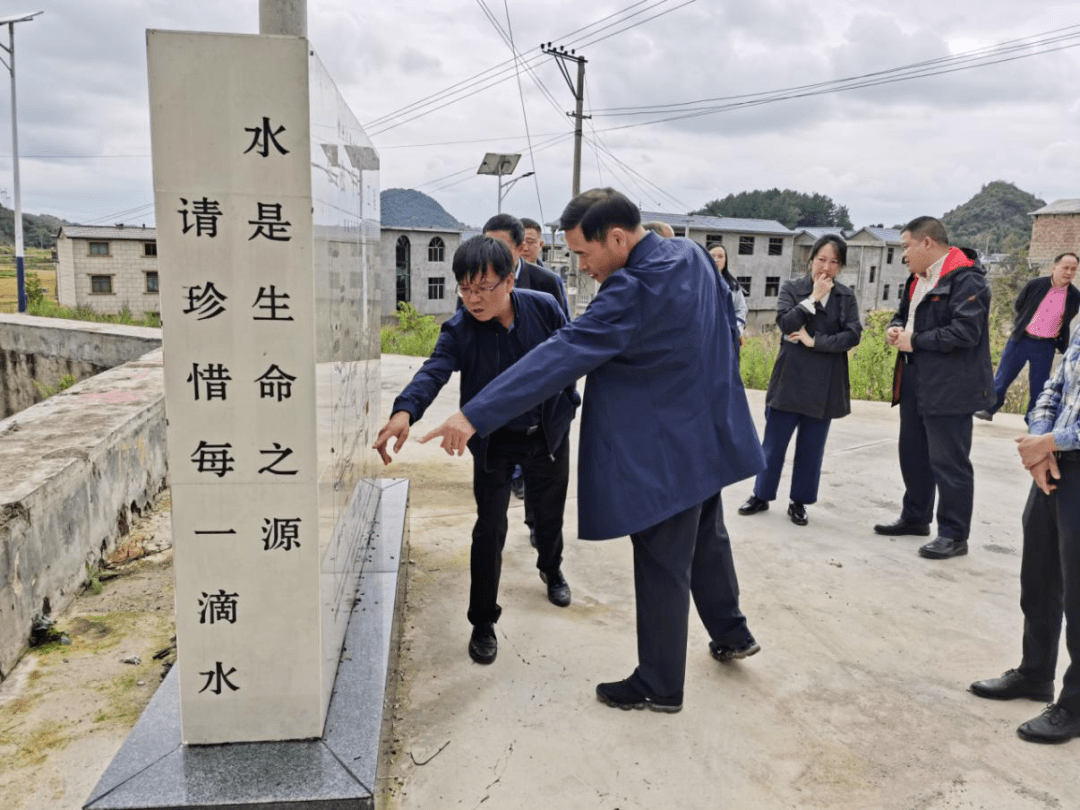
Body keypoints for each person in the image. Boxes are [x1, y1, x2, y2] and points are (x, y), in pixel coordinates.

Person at [418, 187, 765, 713]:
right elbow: (721, 325)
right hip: (706, 432)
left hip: (663, 449)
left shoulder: (631, 290)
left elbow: (564, 353)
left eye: (584, 253)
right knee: (708, 538)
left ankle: (659, 683)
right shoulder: (691, 255)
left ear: (619, 238)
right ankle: (733, 633)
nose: (581, 267)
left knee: (662, 562)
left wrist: (474, 413)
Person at [372, 236, 579, 666]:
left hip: (546, 436)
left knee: (549, 511)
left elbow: (568, 359)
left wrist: (568, 407)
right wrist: (404, 412)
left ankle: (551, 566)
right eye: (464, 289)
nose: (473, 299)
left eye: (483, 288)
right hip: (493, 443)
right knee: (489, 529)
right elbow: (433, 371)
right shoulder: (461, 329)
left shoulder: (543, 307)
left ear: (509, 281)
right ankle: (483, 621)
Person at [968, 322, 1080, 743]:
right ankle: (1035, 674)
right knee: (1039, 578)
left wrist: (1051, 441)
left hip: (1065, 452)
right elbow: (1054, 384)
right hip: (1055, 463)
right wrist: (1038, 439)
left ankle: (1075, 706)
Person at [874, 216, 994, 559]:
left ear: (927, 243)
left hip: (950, 385)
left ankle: (954, 535)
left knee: (949, 461)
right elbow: (903, 316)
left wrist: (917, 340)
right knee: (913, 453)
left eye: (906, 246)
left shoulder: (967, 280)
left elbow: (966, 333)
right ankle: (915, 517)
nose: (903, 255)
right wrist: (896, 330)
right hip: (914, 377)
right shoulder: (916, 280)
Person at [738, 234, 862, 526]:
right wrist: (813, 299)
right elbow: (786, 322)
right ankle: (761, 494)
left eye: (834, 262)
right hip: (790, 378)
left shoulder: (846, 296)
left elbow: (853, 334)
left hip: (825, 383)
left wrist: (812, 341)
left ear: (840, 266)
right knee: (773, 443)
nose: (826, 267)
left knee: (812, 447)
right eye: (821, 259)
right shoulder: (793, 289)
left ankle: (799, 502)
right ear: (811, 259)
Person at [481, 214, 569, 519]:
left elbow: (565, 340)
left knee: (543, 494)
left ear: (520, 248)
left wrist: (566, 399)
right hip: (497, 395)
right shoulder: (478, 280)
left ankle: (541, 536)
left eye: (501, 246)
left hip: (537, 396)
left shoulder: (546, 284)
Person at [975, 252, 1080, 422]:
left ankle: (1032, 418)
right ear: (1054, 268)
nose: (1069, 272)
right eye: (1065, 267)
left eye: (1073, 269)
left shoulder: (1075, 296)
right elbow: (1019, 305)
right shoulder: (1035, 284)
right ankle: (989, 409)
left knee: (1039, 386)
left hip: (1046, 345)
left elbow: (1069, 317)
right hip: (1021, 339)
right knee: (1003, 377)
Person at [709, 244, 748, 339]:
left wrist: (736, 330)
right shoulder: (697, 282)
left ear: (725, 260)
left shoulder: (733, 285)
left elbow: (741, 309)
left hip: (727, 336)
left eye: (720, 256)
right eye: (712, 256)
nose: (716, 260)